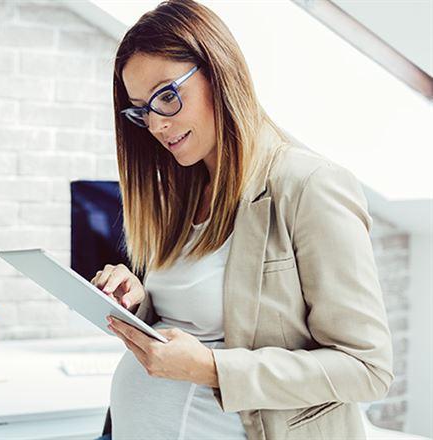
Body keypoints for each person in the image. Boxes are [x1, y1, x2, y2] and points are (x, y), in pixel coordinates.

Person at [89, 1, 394, 439]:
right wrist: (138, 303)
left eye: (168, 96)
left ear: (220, 71)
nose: (156, 124)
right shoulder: (184, 190)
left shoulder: (309, 186)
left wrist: (212, 369)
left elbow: (367, 368)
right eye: (142, 110)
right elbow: (198, 320)